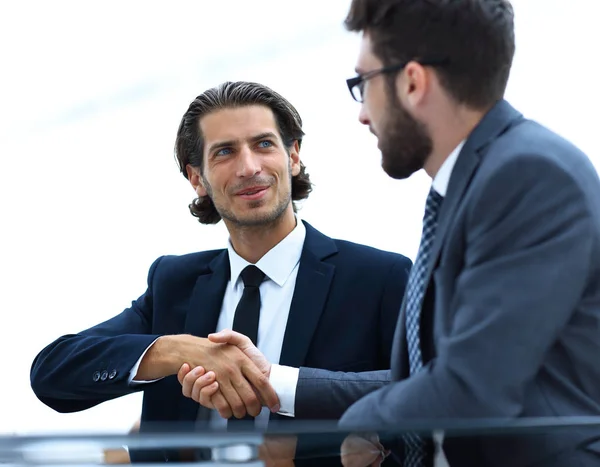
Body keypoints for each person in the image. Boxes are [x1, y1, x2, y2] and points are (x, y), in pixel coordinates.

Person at [30, 81, 412, 463]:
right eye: (225, 152)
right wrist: (177, 350)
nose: (249, 168)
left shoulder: (378, 277)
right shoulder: (172, 282)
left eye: (263, 144)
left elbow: (428, 391)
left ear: (293, 156)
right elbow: (52, 373)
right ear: (197, 179)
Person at [308, 0, 600, 466]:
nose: (362, 115)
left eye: (363, 84)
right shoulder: (475, 182)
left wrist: (359, 422)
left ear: (412, 82)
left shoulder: (528, 175)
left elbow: (475, 386)